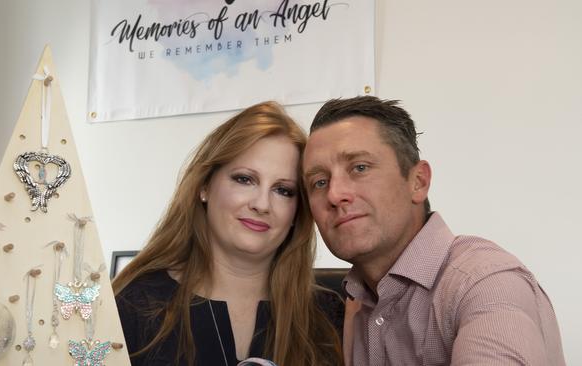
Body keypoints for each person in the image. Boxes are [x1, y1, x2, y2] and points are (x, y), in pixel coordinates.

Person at [302, 96, 566, 365]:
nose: (334, 194)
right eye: (319, 182)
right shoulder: (355, 302)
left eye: (360, 167)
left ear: (418, 182)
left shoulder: (486, 283)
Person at [113, 101, 344, 366]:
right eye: (245, 179)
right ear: (204, 186)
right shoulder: (132, 304)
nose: (262, 204)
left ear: (297, 211)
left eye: (283, 190)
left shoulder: (328, 315)